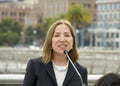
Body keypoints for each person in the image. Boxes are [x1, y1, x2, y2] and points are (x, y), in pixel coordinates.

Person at [23, 19, 88, 86]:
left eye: (67, 35)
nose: (62, 39)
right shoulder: (35, 66)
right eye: (57, 35)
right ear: (50, 42)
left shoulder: (81, 71)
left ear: (73, 42)